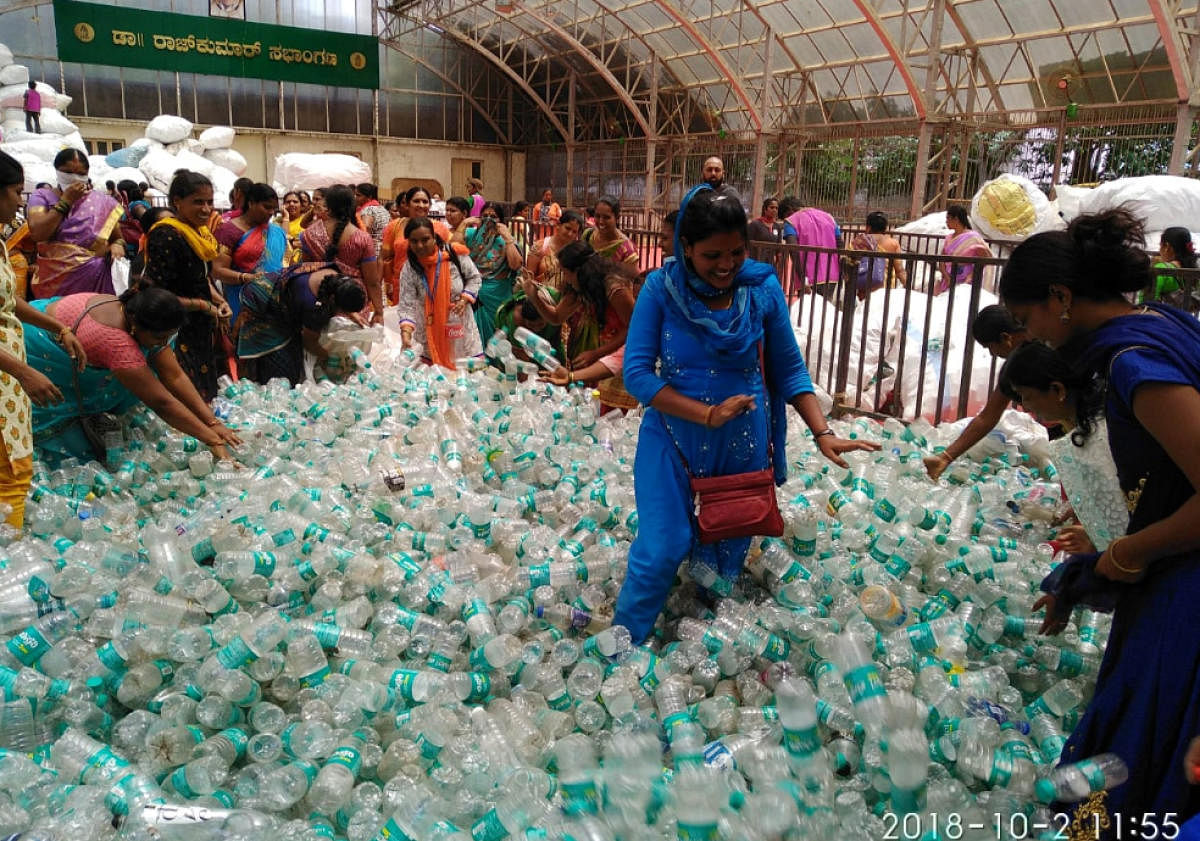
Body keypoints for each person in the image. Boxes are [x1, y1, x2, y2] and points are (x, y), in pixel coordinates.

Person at [999, 208, 1200, 836]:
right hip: (1172, 572)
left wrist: (1127, 554)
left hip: (1188, 594)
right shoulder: (1161, 322)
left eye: (1029, 319)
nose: (1034, 336)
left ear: (1061, 298)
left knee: (1145, 744)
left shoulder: (1134, 363)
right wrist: (1092, 570)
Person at [612, 186, 876, 642]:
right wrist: (706, 413)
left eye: (737, 252)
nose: (726, 265)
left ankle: (703, 638)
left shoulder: (761, 287)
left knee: (724, 553)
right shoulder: (661, 288)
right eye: (711, 254)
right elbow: (636, 374)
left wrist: (823, 431)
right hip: (673, 435)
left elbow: (789, 367)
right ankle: (622, 644)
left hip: (741, 442)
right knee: (664, 546)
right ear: (685, 247)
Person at [25, 285, 240, 467]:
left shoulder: (143, 316)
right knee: (70, 439)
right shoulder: (116, 343)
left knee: (144, 367)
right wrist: (212, 440)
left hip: (63, 322)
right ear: (136, 326)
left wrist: (212, 423)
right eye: (160, 338)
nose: (164, 343)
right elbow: (160, 401)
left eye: (168, 337)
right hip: (39, 344)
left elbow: (174, 375)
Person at [0, 151, 88, 527]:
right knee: (10, 477)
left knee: (16, 472)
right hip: (7, 374)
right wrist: (24, 372)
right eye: (16, 192)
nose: (21, 201)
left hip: (9, 376)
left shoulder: (0, 243)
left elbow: (9, 302)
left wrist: (60, 328)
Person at [997, 341, 1126, 553]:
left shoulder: (1102, 437)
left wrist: (1094, 541)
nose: (1026, 407)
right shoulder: (1081, 432)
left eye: (1026, 397)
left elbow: (1121, 520)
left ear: (1057, 390)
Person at [143, 170, 232, 403]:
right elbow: (158, 294)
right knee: (187, 393)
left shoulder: (200, 233)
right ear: (177, 202)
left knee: (208, 392)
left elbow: (201, 278)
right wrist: (203, 305)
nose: (206, 209)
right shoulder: (167, 235)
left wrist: (219, 301)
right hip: (173, 329)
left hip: (199, 326)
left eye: (209, 202)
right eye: (198, 202)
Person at [519, 242, 636, 406]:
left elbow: (634, 329)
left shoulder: (614, 289)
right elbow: (556, 317)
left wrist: (596, 353)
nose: (564, 278)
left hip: (621, 358)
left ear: (580, 272)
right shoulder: (579, 288)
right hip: (598, 357)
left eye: (566, 273)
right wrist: (534, 296)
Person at [923, 305, 1030, 481]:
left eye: (990, 347)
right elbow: (987, 416)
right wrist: (945, 458)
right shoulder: (1013, 367)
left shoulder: (1045, 350)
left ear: (1005, 338)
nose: (992, 354)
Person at [236, 264, 367, 386]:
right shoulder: (314, 306)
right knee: (283, 377)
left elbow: (340, 298)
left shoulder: (336, 278)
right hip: (265, 306)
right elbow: (310, 343)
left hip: (284, 294)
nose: (344, 314)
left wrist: (352, 314)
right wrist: (330, 357)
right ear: (333, 300)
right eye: (344, 311)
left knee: (294, 359)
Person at [26, 148, 124, 299]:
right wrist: (66, 201)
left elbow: (118, 238)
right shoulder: (42, 197)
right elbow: (38, 233)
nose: (74, 178)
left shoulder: (103, 202)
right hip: (53, 282)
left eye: (81, 174)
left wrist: (117, 245)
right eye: (68, 172)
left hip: (95, 280)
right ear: (57, 171)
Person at [397, 217, 483, 369]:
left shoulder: (454, 255)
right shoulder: (410, 268)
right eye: (414, 241)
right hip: (428, 336)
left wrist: (464, 300)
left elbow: (474, 278)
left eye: (425, 239)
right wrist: (406, 332)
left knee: (465, 379)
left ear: (434, 238)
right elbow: (406, 303)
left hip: (460, 331)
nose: (420, 245)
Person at [300, 184, 383, 325]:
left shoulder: (309, 234)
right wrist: (379, 312)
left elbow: (306, 269)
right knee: (354, 344)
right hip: (353, 299)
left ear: (328, 206)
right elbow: (373, 282)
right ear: (353, 205)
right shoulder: (362, 238)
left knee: (322, 344)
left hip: (319, 297)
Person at [212, 183, 286, 324]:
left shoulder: (274, 231)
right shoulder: (229, 231)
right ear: (251, 203)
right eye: (266, 207)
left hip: (273, 298)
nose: (271, 212)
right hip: (241, 299)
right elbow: (217, 270)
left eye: (274, 209)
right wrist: (247, 277)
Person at [464, 203, 524, 341]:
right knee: (474, 336)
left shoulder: (506, 240)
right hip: (473, 293)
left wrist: (508, 238)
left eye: (493, 217)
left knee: (498, 334)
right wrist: (464, 224)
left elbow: (515, 265)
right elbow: (452, 248)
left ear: (501, 221)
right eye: (484, 216)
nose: (488, 220)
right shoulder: (471, 235)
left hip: (498, 295)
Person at [380, 187, 450, 303]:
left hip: (432, 284)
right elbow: (384, 258)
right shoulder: (395, 226)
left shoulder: (439, 228)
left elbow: (452, 253)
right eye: (416, 201)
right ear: (407, 204)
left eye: (425, 201)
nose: (421, 205)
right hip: (402, 286)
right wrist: (384, 285)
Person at [849, 210, 906, 298]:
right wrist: (909, 288)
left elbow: (848, 264)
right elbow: (900, 271)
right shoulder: (893, 244)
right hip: (885, 291)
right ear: (885, 228)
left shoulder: (858, 242)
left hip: (864, 290)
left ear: (868, 227)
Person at [787, 204, 841, 295]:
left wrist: (802, 279)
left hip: (807, 276)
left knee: (807, 307)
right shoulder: (829, 217)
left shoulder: (791, 221)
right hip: (831, 274)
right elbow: (840, 243)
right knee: (825, 307)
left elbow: (793, 250)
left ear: (788, 212)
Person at [939, 205, 993, 294]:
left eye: (948, 218)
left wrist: (970, 276)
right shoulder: (948, 238)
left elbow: (985, 259)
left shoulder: (973, 237)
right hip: (949, 279)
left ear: (956, 219)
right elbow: (942, 260)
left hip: (968, 280)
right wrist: (946, 277)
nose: (946, 222)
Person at [526, 210, 583, 291]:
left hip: (564, 300)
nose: (570, 234)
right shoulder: (540, 247)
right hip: (538, 299)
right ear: (558, 225)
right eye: (567, 228)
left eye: (574, 232)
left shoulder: (575, 253)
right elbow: (528, 278)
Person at [582, 196, 638, 269]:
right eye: (597, 216)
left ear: (617, 218)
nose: (601, 221)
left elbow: (628, 279)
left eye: (606, 217)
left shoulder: (627, 250)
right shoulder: (588, 236)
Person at [1147, 226, 1196, 302]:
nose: (1159, 250)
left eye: (1160, 245)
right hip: (1182, 313)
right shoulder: (1193, 267)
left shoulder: (1160, 269)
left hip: (1162, 313)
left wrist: (1153, 266)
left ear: (1167, 247)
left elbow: (1146, 300)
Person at [354, 183, 390, 253]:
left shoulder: (368, 210)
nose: (355, 197)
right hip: (383, 250)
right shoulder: (382, 208)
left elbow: (365, 230)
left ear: (369, 197)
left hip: (373, 252)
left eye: (358, 195)